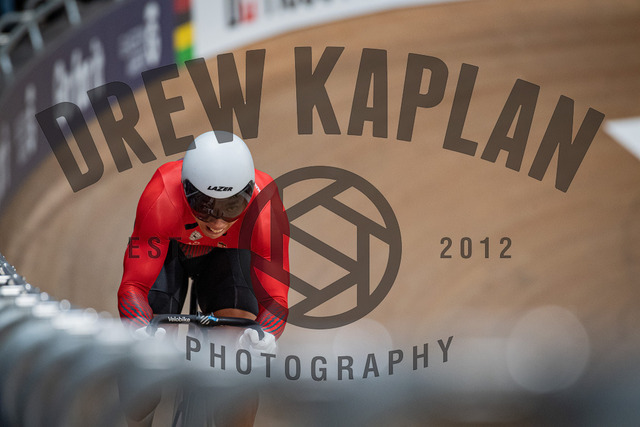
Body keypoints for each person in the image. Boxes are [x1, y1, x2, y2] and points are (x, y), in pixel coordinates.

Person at [117, 130, 290, 426]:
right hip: (169, 253)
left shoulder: (265, 209)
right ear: (185, 190)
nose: (218, 222)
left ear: (249, 194)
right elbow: (134, 285)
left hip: (228, 258)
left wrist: (264, 335)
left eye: (232, 206)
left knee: (238, 364)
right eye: (205, 207)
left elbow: (275, 298)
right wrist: (140, 329)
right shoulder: (162, 194)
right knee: (146, 369)